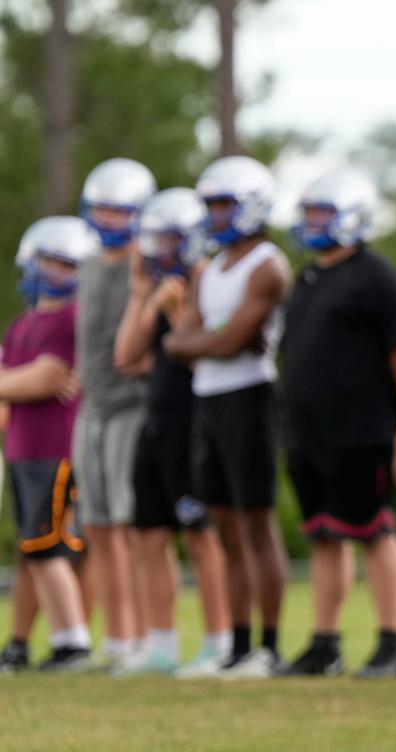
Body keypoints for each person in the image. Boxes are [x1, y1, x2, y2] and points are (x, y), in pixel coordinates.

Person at [280, 169, 396, 678]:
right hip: (310, 434)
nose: (313, 223)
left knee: (375, 531)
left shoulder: (376, 276)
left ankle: (391, 641)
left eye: (324, 213)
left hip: (363, 432)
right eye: (310, 212)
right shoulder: (308, 276)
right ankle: (325, 642)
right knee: (323, 534)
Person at [164, 155, 290, 678]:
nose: (215, 215)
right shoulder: (207, 269)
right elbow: (180, 344)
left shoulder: (267, 263)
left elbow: (230, 341)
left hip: (250, 397)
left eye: (224, 204)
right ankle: (236, 646)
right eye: (210, 204)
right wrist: (203, 340)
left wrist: (201, 339)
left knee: (258, 523)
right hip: (209, 400)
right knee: (226, 527)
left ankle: (269, 646)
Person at [114, 188, 232, 676]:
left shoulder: (207, 278)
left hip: (194, 422)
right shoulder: (159, 286)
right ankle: (161, 647)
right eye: (155, 239)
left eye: (169, 239)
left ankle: (218, 642)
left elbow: (191, 343)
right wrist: (144, 298)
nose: (160, 250)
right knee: (147, 533)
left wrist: (172, 311)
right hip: (156, 422)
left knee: (200, 535)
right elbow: (125, 357)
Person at [0, 216, 98, 670]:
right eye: (49, 262)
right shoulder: (22, 325)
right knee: (33, 550)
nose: (55, 273)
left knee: (50, 549)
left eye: (66, 265)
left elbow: (46, 378)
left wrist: (15, 383)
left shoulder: (73, 319)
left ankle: (73, 641)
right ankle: (32, 642)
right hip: (21, 451)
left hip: (55, 450)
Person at [75, 157, 157, 671]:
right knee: (99, 527)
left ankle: (149, 639)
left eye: (118, 211)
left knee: (131, 526)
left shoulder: (146, 265)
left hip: (132, 406)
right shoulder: (85, 264)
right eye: (100, 209)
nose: (107, 220)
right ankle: (119, 639)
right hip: (92, 407)